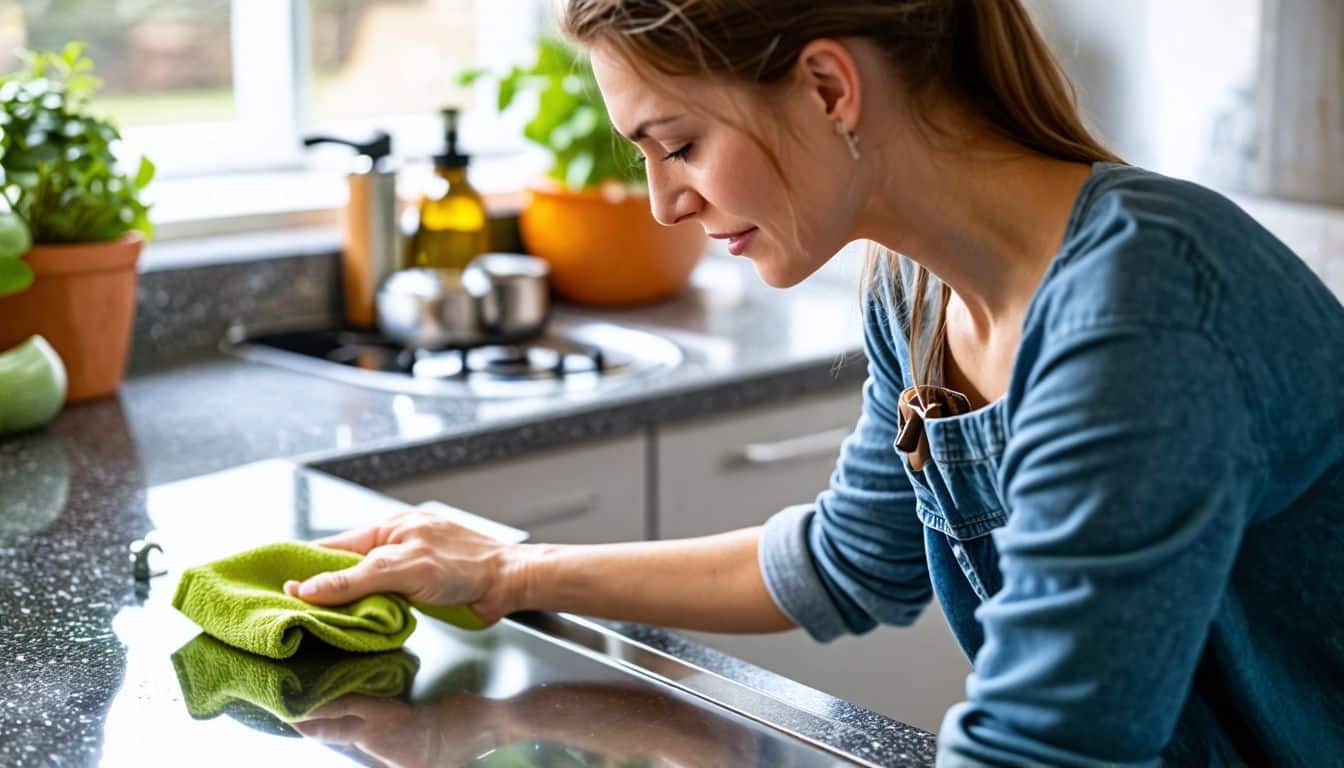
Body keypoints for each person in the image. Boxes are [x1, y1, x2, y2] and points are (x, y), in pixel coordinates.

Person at [286, 1, 1344, 764]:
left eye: (680, 143)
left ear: (830, 87)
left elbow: (1045, 748)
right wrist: (509, 570)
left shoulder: (1141, 308)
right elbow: (848, 561)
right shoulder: (919, 297)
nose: (663, 203)